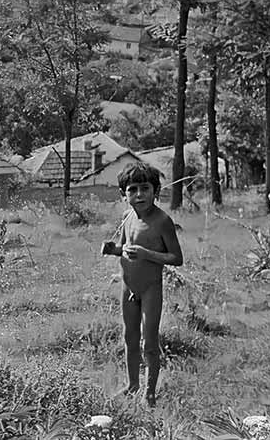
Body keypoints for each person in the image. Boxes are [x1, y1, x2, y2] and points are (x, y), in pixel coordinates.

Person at [101, 162, 183, 407]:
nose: (139, 195)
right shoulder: (128, 217)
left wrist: (147, 254)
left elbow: (176, 258)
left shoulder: (162, 221)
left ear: (156, 191)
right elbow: (125, 249)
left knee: (149, 342)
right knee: (130, 337)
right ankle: (132, 385)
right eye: (133, 189)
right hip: (128, 287)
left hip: (150, 289)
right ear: (123, 194)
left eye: (145, 188)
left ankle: (150, 394)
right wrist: (113, 250)